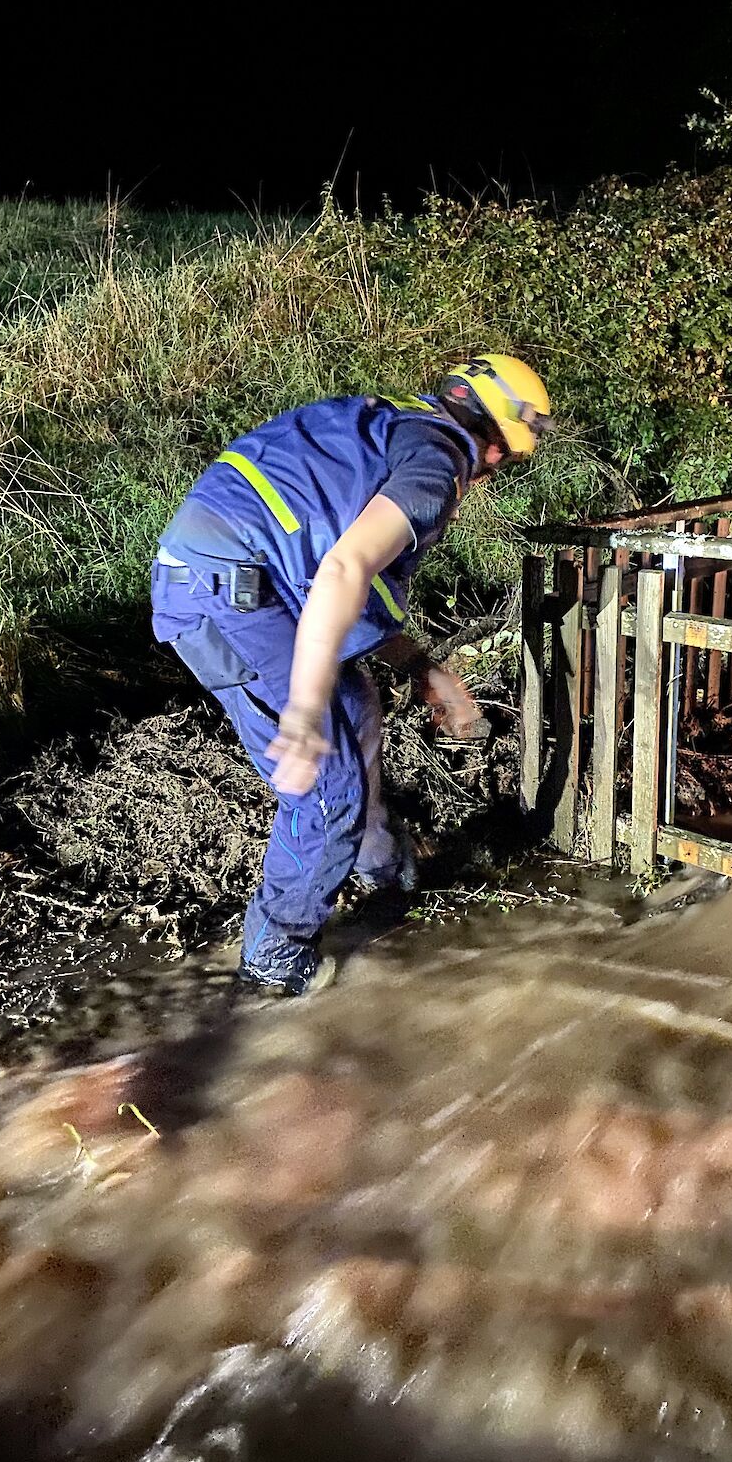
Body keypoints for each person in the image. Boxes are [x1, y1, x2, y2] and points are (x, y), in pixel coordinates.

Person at [150, 354, 552, 994]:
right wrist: (305, 713)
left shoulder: (381, 428)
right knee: (327, 784)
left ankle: (387, 873)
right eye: (503, 450)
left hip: (235, 579)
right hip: (228, 595)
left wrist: (420, 666)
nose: (495, 467)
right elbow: (342, 572)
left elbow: (340, 575)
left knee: (359, 709)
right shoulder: (436, 463)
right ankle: (274, 965)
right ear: (489, 436)